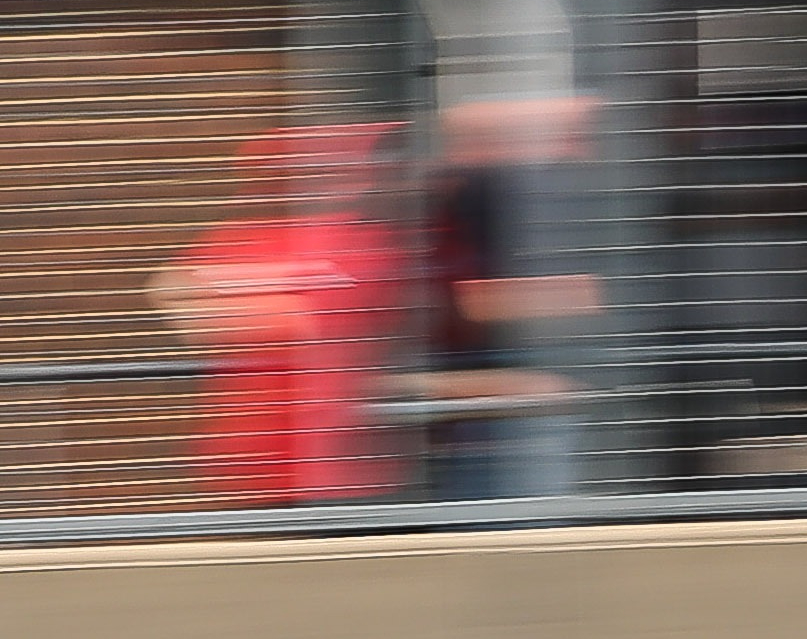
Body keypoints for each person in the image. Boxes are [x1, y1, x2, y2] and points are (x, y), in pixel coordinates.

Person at [149, 123, 404, 508]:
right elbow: (171, 295)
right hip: (254, 466)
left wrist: (230, 299)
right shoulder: (240, 237)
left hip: (337, 471)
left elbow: (300, 318)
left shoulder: (363, 241)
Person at [415, 93, 603, 501]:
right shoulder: (442, 218)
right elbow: (456, 305)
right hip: (476, 414)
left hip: (495, 410)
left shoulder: (477, 206)